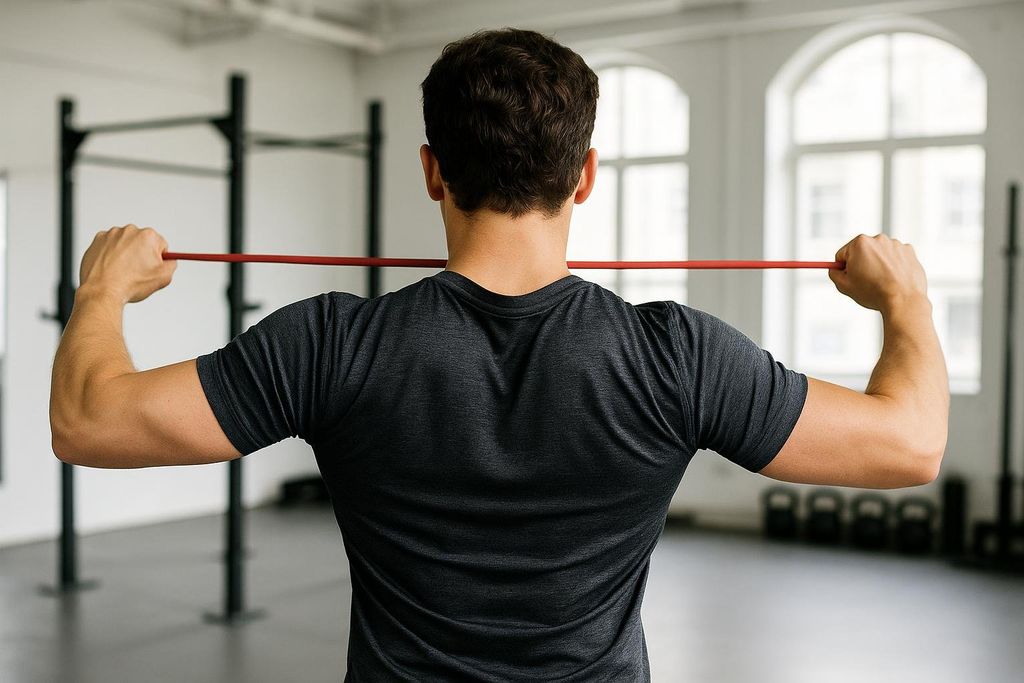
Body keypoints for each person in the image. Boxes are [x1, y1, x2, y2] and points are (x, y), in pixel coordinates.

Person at [49, 28, 948, 682]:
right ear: (585, 175)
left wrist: (103, 292)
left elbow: (89, 420)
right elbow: (909, 444)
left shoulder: (331, 343)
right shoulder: (678, 355)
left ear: (433, 170)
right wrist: (902, 299)